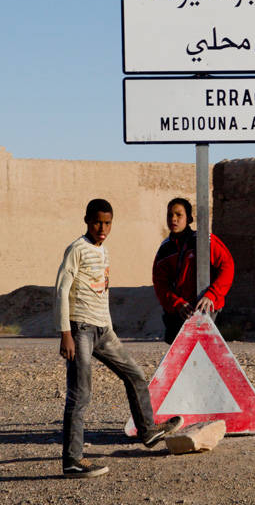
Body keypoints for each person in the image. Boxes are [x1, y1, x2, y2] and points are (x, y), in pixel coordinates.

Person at [55, 198, 182, 478]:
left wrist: (109, 327)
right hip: (80, 329)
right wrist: (65, 333)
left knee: (135, 375)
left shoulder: (104, 251)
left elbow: (103, 291)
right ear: (87, 220)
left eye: (108, 222)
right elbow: (62, 290)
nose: (103, 228)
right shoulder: (77, 249)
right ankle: (72, 461)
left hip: (103, 330)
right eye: (98, 222)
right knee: (80, 395)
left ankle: (147, 431)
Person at [152, 197, 235, 344]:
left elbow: (227, 266)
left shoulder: (204, 240)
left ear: (189, 218)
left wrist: (212, 295)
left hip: (206, 308)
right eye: (170, 215)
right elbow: (160, 284)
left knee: (205, 351)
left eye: (179, 215)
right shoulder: (165, 250)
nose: (173, 219)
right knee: (181, 353)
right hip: (180, 311)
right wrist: (177, 304)